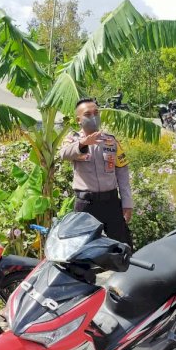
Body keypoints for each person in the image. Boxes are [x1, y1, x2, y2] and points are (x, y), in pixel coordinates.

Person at [59, 99, 133, 247]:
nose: (93, 117)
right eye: (88, 114)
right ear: (79, 120)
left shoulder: (111, 141)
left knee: (122, 247)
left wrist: (127, 203)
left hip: (111, 203)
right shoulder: (73, 140)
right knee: (82, 248)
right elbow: (63, 154)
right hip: (86, 204)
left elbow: (122, 174)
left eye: (96, 113)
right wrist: (83, 143)